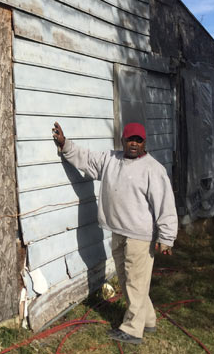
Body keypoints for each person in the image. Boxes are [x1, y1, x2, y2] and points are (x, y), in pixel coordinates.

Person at [51, 121, 177, 345]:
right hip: (118, 231)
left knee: (135, 283)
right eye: (131, 139)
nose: (134, 144)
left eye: (139, 140)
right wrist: (65, 144)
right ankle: (147, 320)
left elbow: (165, 205)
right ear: (123, 140)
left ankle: (131, 330)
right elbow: (86, 158)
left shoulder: (153, 169)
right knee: (129, 279)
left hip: (140, 236)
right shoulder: (111, 160)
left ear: (144, 142)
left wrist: (166, 237)